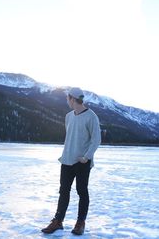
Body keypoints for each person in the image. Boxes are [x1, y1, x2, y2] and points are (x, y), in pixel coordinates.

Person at [41, 87, 101, 235]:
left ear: (72, 99)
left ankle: (80, 223)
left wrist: (86, 157)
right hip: (66, 160)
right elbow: (71, 138)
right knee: (64, 192)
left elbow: (96, 140)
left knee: (82, 191)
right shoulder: (69, 116)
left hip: (82, 162)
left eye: (68, 99)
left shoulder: (91, 116)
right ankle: (58, 221)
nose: (67, 101)